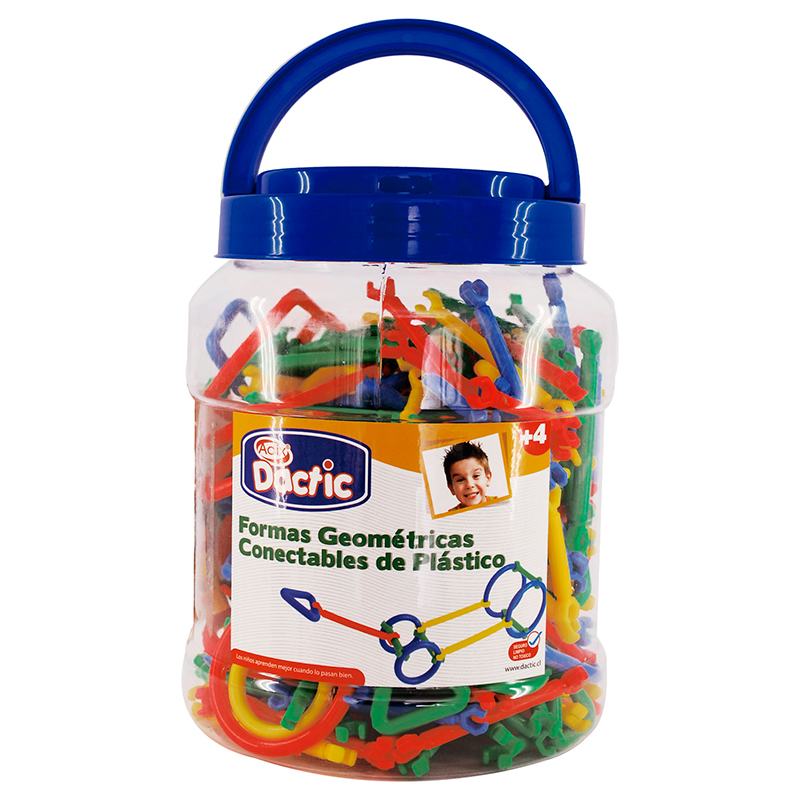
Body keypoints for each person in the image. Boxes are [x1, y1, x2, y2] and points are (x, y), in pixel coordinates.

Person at [443, 441, 499, 511]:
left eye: (476, 476)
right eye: (460, 480)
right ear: (451, 488)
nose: (469, 485)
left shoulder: (500, 504)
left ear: (487, 478)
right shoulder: (451, 515)